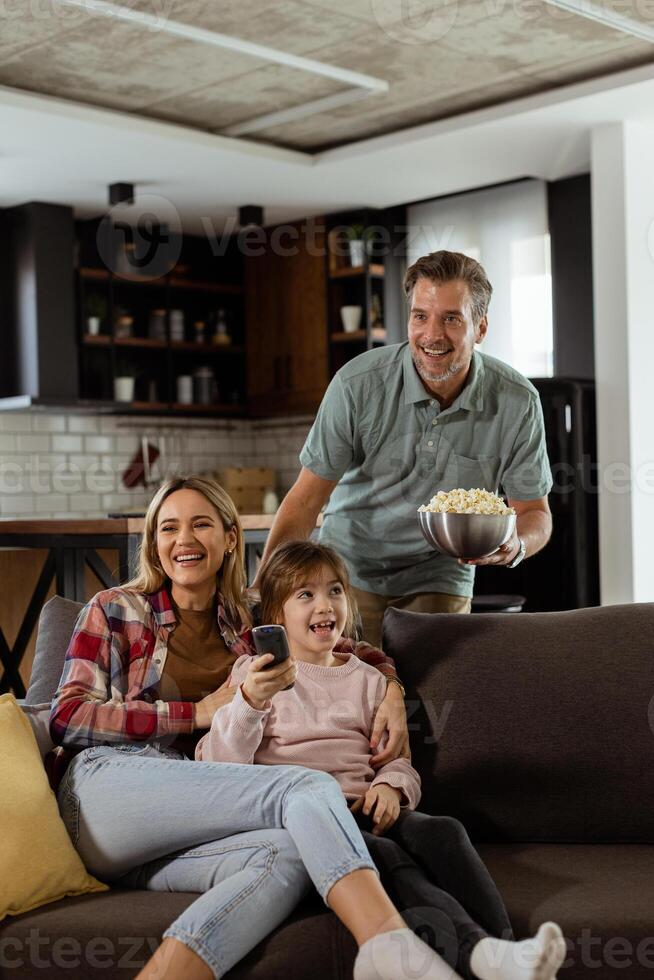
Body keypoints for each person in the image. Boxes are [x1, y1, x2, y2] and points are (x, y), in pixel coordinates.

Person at [48, 475, 454, 980]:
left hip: (194, 812)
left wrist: (390, 686)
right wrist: (195, 713)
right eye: (168, 528)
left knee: (288, 856)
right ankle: (388, 947)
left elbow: (336, 644)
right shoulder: (115, 608)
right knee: (305, 786)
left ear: (230, 538)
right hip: (108, 792)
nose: (184, 540)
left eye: (201, 524)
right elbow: (67, 717)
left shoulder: (248, 624)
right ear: (154, 543)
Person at [198, 540, 567, 980]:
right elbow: (218, 765)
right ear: (275, 615)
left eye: (335, 591)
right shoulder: (252, 677)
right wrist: (249, 703)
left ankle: (505, 950)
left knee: (442, 831)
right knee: (387, 855)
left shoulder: (370, 679)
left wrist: (391, 786)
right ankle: (480, 953)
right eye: (305, 595)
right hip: (309, 821)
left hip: (366, 805)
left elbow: (397, 761)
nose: (325, 605)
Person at [257, 250, 553, 648]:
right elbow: (306, 500)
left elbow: (534, 512)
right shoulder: (357, 385)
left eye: (451, 318)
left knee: (433, 693)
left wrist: (517, 544)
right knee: (347, 695)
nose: (432, 335)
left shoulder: (517, 401)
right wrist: (264, 590)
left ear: (480, 328)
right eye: (420, 316)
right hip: (348, 569)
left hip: (440, 573)